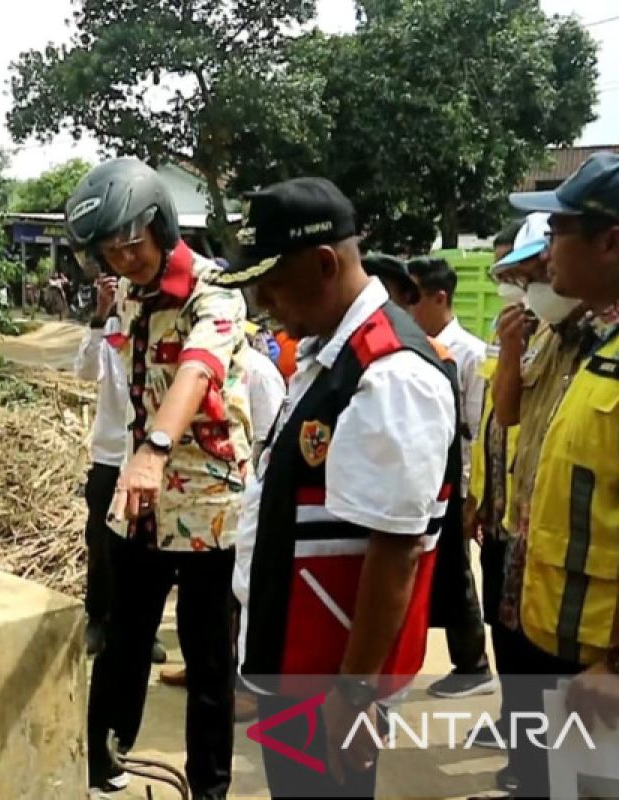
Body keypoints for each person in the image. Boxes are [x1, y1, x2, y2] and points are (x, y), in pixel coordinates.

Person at [221, 177, 458, 798]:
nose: (264, 302)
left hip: (327, 682)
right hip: (293, 664)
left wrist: (355, 696)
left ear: (324, 264)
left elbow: (396, 549)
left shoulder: (390, 373)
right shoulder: (332, 352)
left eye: (271, 282)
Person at [65, 157, 253, 799]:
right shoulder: (128, 297)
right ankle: (102, 764)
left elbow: (199, 369)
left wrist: (156, 446)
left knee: (207, 664)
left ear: (161, 225)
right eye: (110, 252)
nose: (124, 260)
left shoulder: (215, 294)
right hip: (141, 504)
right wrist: (136, 462)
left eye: (132, 244)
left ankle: (209, 788)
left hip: (205, 507)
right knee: (122, 641)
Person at [503, 152, 619, 798]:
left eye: (557, 231)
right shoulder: (601, 345)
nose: (547, 250)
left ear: (610, 241)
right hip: (572, 652)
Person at [159, 319, 286, 728]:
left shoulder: (258, 371)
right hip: (194, 500)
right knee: (202, 598)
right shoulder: (188, 366)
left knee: (239, 594)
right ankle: (203, 669)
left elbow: (269, 436)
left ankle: (243, 684)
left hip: (242, 495)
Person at [402, 255, 496, 699]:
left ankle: (472, 663)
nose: (405, 306)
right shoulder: (409, 347)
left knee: (456, 572)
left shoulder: (470, 355)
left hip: (453, 479)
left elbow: (477, 431)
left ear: (440, 298)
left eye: (413, 296)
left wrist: (471, 496)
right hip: (422, 477)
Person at [73, 272, 168, 664]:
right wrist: (99, 316)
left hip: (147, 458)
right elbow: (83, 371)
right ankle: (98, 619)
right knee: (101, 544)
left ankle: (144, 632)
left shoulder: (161, 331)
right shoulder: (108, 333)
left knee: (149, 550)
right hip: (111, 457)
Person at [463, 222, 525, 792]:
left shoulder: (553, 338)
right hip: (502, 517)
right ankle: (514, 725)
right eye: (500, 270)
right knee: (505, 634)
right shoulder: (510, 331)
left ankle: (528, 753)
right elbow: (493, 429)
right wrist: (479, 498)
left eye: (514, 269)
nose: (504, 281)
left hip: (536, 524)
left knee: (530, 645)